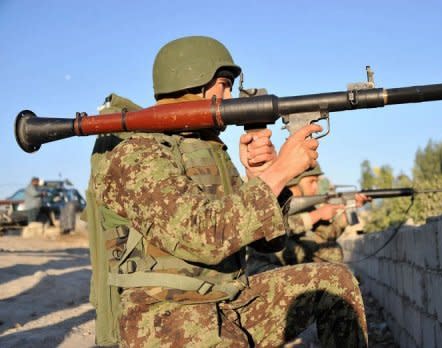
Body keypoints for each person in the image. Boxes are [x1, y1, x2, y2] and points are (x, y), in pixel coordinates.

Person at [87, 36, 367, 347]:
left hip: (225, 300)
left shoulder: (206, 150)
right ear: (193, 81)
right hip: (166, 315)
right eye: (224, 83)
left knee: (334, 283)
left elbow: (266, 245)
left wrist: (260, 178)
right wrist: (278, 173)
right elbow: (204, 236)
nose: (230, 95)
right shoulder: (137, 152)